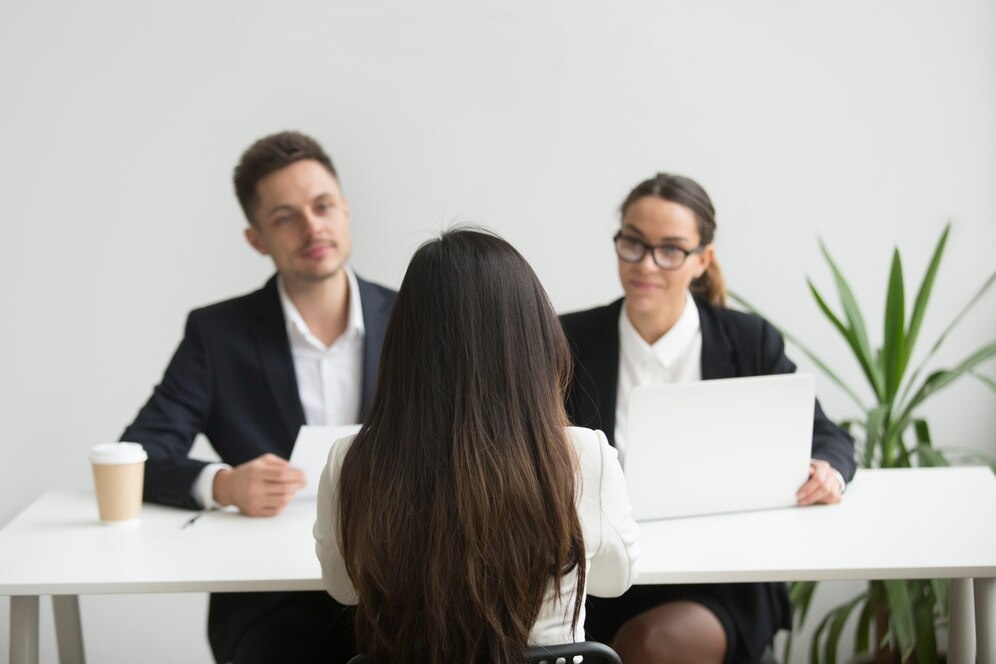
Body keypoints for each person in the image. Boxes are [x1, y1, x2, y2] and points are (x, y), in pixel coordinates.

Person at [121, 131, 396, 664]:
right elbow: (140, 452)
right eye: (286, 217)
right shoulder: (217, 334)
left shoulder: (415, 316)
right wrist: (222, 483)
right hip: (270, 599)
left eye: (322, 207)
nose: (312, 227)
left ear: (345, 209)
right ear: (256, 239)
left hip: (397, 583)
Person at [561, 173, 857, 664]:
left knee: (648, 648)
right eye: (633, 243)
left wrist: (828, 469)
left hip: (724, 577)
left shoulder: (748, 341)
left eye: (671, 250)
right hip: (605, 576)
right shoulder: (570, 339)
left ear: (703, 259)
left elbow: (827, 435)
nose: (646, 264)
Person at [313, 228, 641, 664]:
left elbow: (344, 587)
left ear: (404, 346)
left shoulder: (351, 459)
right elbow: (615, 580)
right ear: (533, 340)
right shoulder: (581, 456)